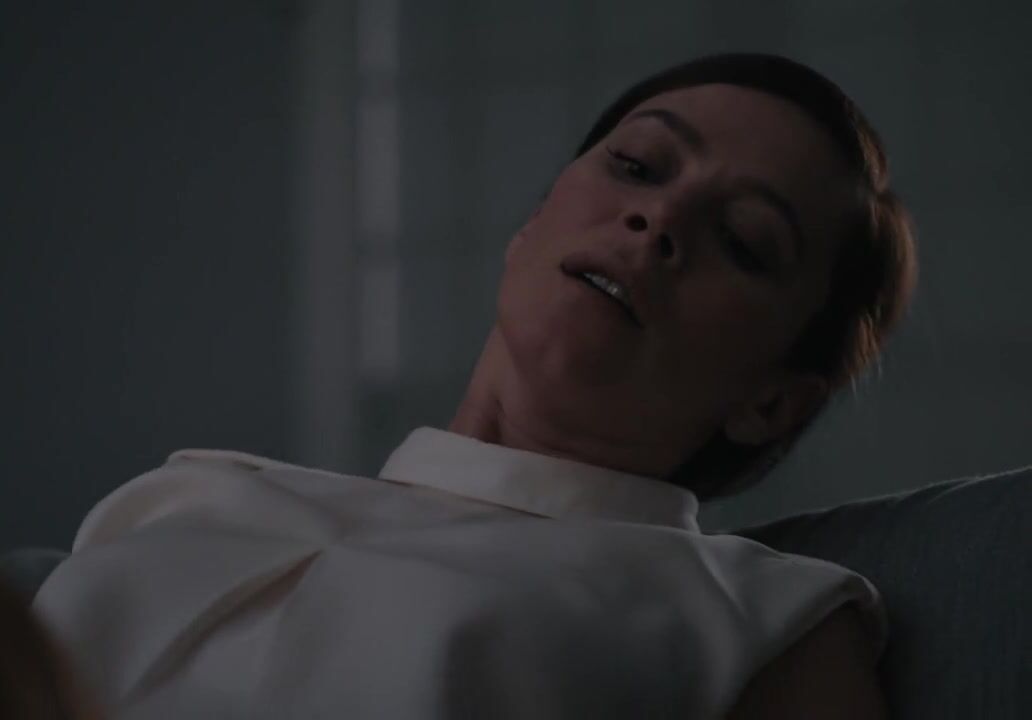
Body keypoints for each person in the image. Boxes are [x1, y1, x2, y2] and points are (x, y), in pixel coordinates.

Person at [35, 53, 916, 718]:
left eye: (745, 242)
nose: (660, 218)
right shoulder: (195, 495)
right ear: (530, 226)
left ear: (772, 401)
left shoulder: (762, 618)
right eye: (640, 165)